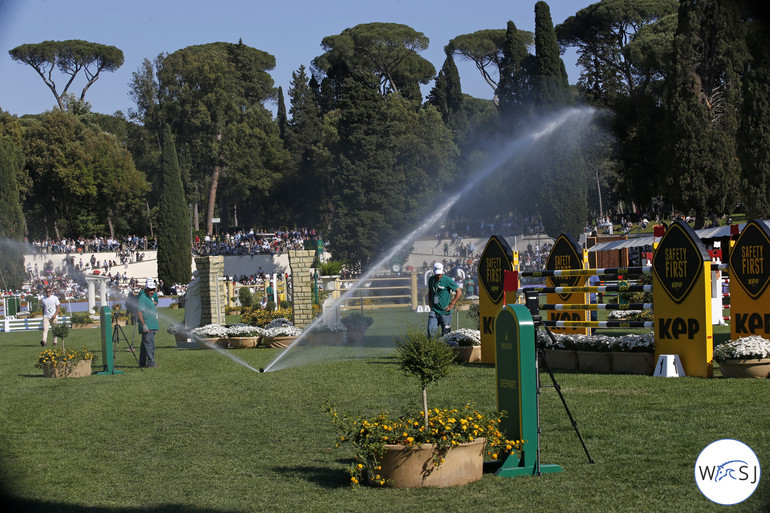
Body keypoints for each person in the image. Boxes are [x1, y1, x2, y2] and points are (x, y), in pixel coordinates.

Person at [427, 262, 462, 338]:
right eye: (437, 273)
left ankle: (445, 349)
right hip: (434, 310)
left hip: (445, 311)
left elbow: (459, 292)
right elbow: (430, 291)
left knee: (446, 335)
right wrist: (429, 301)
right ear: (433, 271)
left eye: (440, 273)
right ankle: (432, 348)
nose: (438, 275)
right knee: (430, 331)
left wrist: (452, 304)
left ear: (442, 271)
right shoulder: (431, 279)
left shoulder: (447, 280)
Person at [135, 278, 160, 368]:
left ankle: (142, 363)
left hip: (151, 326)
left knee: (144, 346)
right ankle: (151, 363)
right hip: (147, 326)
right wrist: (144, 325)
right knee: (150, 345)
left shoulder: (149, 299)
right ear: (146, 289)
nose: (152, 292)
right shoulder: (143, 298)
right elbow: (139, 312)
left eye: (153, 290)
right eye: (150, 290)